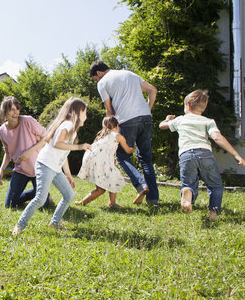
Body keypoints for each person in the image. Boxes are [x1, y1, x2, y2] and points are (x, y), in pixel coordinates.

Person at [159, 89, 245, 220]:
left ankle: (187, 194)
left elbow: (162, 126)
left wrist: (167, 120)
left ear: (187, 105)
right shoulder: (208, 121)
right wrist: (236, 155)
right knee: (215, 186)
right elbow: (217, 137)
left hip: (186, 154)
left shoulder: (180, 120)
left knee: (188, 183)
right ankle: (213, 215)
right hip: (204, 153)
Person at [12, 97, 92, 235]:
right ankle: (19, 226)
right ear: (78, 112)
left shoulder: (71, 129)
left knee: (69, 194)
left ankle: (54, 223)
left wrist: (68, 175)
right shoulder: (67, 125)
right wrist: (80, 146)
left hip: (55, 168)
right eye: (85, 112)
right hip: (45, 165)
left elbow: (64, 153)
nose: (86, 115)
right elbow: (57, 144)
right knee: (41, 199)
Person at [89, 60, 159, 205]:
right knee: (146, 159)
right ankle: (153, 199)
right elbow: (153, 90)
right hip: (146, 118)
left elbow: (109, 111)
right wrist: (148, 110)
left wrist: (108, 130)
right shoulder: (129, 73)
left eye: (96, 78)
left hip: (126, 120)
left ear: (99, 73)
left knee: (122, 156)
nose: (97, 80)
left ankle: (141, 185)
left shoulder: (102, 83)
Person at [0, 96, 51, 208]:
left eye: (17, 108)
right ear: (4, 111)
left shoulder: (28, 121)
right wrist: (1, 170)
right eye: (12, 109)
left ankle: (43, 195)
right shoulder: (2, 131)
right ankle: (36, 193)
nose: (15, 112)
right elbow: (7, 153)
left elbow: (47, 137)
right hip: (20, 169)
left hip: (38, 168)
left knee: (44, 206)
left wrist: (29, 152)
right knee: (10, 204)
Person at [75, 116, 135, 208]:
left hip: (92, 160)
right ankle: (110, 203)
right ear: (117, 126)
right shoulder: (118, 136)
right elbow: (127, 150)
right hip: (101, 162)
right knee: (105, 186)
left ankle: (85, 203)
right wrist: (132, 149)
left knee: (107, 183)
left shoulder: (102, 136)